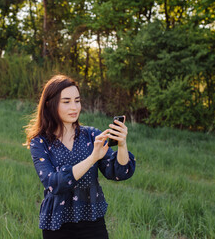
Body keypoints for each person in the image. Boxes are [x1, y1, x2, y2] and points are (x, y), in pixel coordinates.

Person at [24, 74, 136, 239]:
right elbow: (53, 183)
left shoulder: (91, 135)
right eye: (67, 101)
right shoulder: (40, 142)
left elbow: (118, 173)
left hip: (92, 220)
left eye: (77, 100)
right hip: (57, 223)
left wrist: (122, 145)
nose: (74, 107)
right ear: (49, 105)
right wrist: (92, 158)